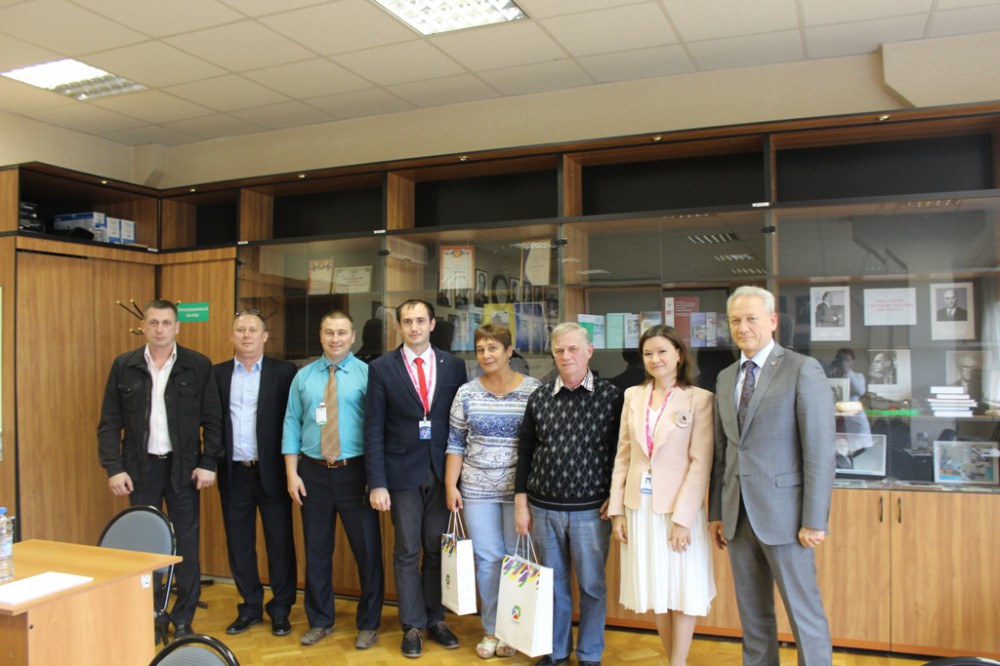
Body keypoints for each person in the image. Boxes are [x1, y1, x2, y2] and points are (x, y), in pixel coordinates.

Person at [708, 286, 836, 666]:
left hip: (788, 518)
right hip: (738, 516)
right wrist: (717, 512)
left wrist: (815, 519)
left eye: (752, 318)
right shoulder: (725, 377)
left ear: (773, 321)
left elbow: (819, 451)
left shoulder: (801, 369)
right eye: (736, 320)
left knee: (804, 614)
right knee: (753, 618)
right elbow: (723, 454)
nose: (743, 327)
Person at [98, 298, 223, 638]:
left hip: (185, 470)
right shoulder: (124, 365)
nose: (159, 329)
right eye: (153, 323)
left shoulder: (198, 365)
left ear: (177, 327)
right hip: (140, 470)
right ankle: (151, 615)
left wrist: (208, 463)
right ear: (143, 327)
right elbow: (109, 423)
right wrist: (114, 468)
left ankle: (183, 618)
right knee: (144, 546)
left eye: (166, 323)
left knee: (186, 544)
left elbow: (213, 420)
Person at [364, 299, 468, 658]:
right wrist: (377, 482)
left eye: (420, 320)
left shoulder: (453, 365)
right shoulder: (381, 368)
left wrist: (458, 479)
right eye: (407, 321)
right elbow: (373, 427)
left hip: (442, 472)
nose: (414, 327)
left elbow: (461, 423)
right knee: (407, 550)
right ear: (399, 326)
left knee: (436, 548)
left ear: (432, 324)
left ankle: (435, 618)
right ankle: (411, 625)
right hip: (401, 474)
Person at [608, 325, 716, 666]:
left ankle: (678, 662)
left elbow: (700, 464)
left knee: (683, 590)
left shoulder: (700, 399)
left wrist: (683, 520)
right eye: (648, 353)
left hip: (679, 511)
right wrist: (617, 511)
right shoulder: (633, 396)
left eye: (662, 351)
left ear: (679, 354)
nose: (655, 359)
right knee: (656, 589)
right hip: (640, 509)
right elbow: (623, 455)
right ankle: (673, 661)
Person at [515, 322, 621, 666]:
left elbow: (622, 453)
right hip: (543, 508)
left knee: (592, 586)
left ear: (589, 351)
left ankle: (589, 654)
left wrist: (616, 496)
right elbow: (525, 451)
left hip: (592, 510)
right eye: (559, 350)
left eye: (573, 349)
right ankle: (556, 652)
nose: (566, 356)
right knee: (552, 586)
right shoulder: (540, 397)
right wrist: (521, 501)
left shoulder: (611, 397)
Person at [282, 311, 384, 649]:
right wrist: (292, 473)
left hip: (356, 472)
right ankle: (320, 620)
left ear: (353, 336)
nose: (335, 339)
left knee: (367, 552)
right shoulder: (304, 376)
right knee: (316, 551)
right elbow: (291, 423)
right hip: (312, 473)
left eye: (341, 332)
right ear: (321, 335)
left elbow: (378, 428)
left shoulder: (369, 375)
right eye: (329, 332)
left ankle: (368, 623)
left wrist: (375, 477)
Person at [445, 323, 542, 659]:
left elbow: (539, 445)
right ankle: (491, 630)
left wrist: (529, 493)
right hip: (476, 490)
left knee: (516, 560)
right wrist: (450, 486)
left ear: (509, 351)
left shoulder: (533, 390)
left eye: (493, 348)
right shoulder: (466, 393)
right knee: (487, 560)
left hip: (519, 493)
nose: (486, 355)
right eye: (481, 349)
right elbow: (455, 443)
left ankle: (512, 631)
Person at [213, 310, 298, 638]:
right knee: (240, 544)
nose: (246, 335)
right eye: (240, 330)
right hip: (234, 473)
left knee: (280, 543)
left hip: (272, 472)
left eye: (253, 330)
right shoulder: (217, 374)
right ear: (231, 336)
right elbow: (213, 422)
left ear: (264, 336)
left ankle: (281, 609)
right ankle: (249, 606)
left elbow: (293, 421)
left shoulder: (284, 373)